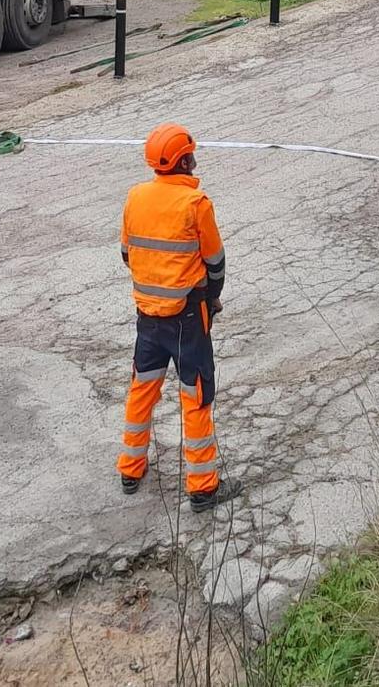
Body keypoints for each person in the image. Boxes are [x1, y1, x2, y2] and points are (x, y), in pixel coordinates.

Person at [116, 123, 234, 512]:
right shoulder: (196, 204)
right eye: (192, 153)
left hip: (147, 319)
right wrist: (212, 298)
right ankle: (202, 487)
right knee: (196, 396)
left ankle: (130, 469)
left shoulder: (135, 198)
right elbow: (215, 263)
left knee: (142, 390)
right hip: (187, 317)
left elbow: (127, 255)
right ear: (184, 159)